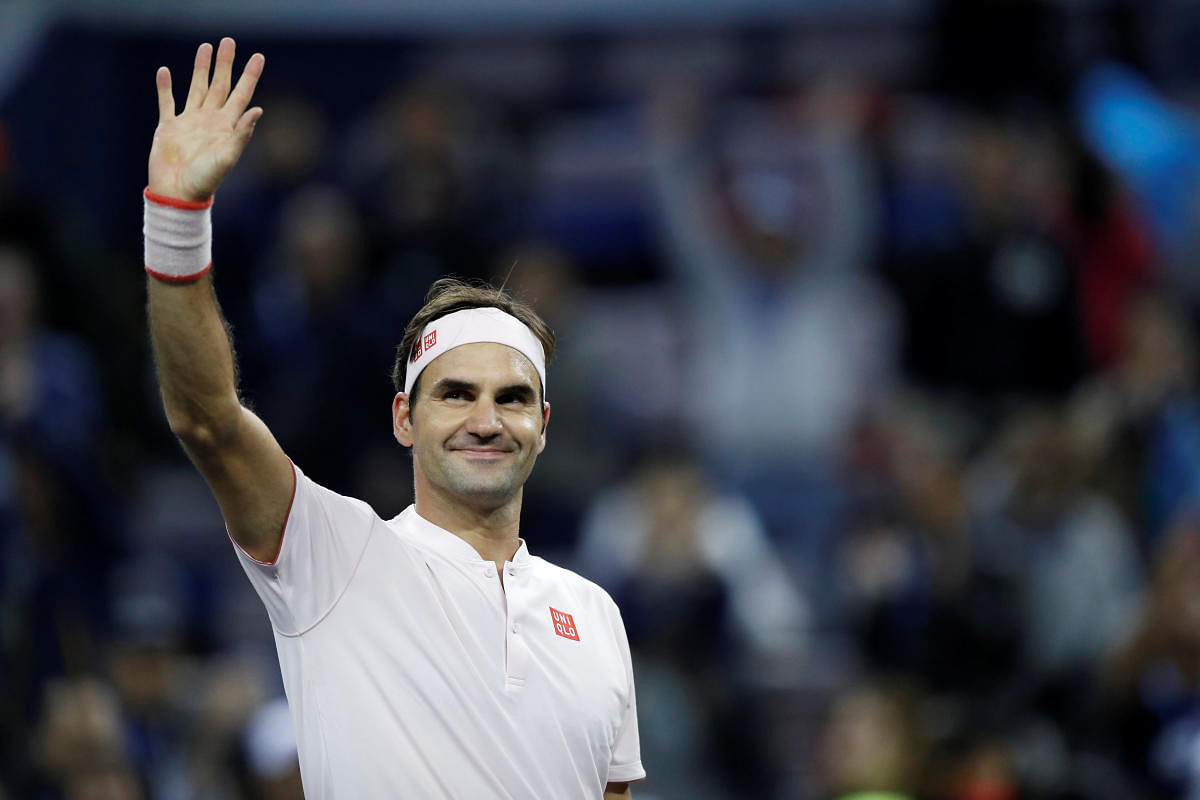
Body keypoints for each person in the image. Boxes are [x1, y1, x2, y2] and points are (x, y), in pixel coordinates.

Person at [142, 38, 644, 798]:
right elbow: (207, 420)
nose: (486, 418)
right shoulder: (332, 557)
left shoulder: (595, 614)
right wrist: (177, 219)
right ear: (404, 418)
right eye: (455, 393)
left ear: (542, 424)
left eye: (511, 399)